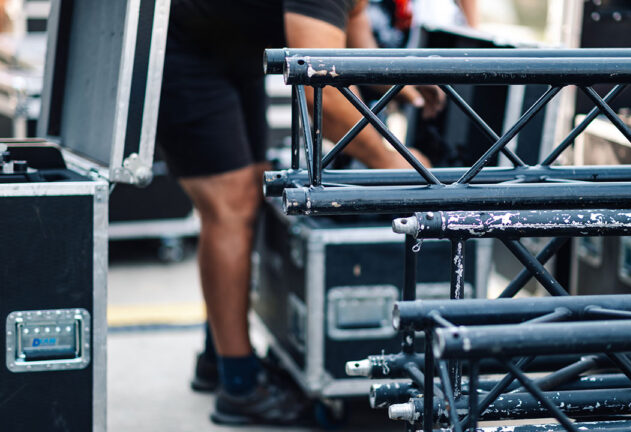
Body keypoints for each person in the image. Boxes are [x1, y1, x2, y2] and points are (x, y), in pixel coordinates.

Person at [156, 0, 438, 425]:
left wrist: (399, 80)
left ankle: (219, 355)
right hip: (181, 48)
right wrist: (396, 162)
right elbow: (320, 94)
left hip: (231, 48)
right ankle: (240, 386)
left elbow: (355, 25)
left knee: (248, 194)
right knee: (230, 206)